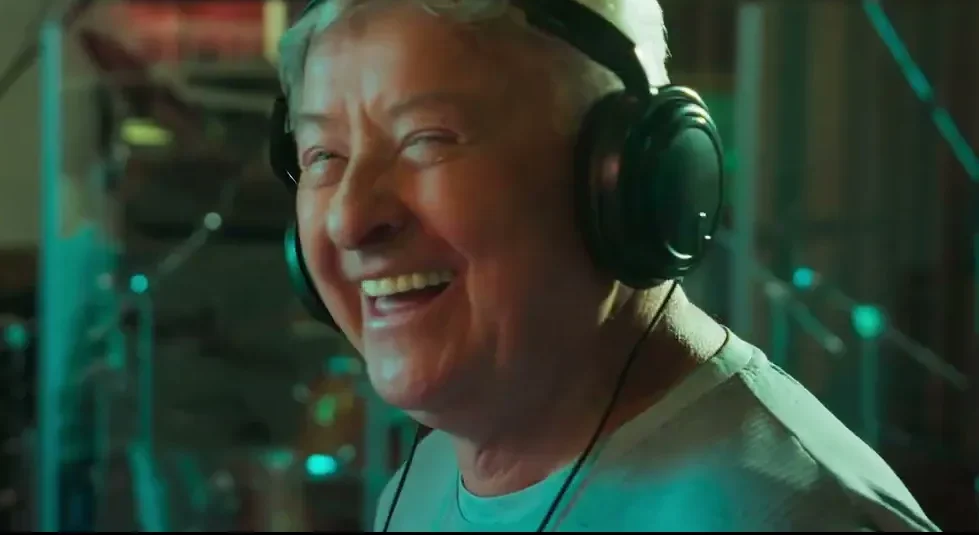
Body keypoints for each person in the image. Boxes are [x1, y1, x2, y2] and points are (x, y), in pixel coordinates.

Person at [273, 0, 940, 531]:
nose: (349, 219)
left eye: (426, 139)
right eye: (323, 156)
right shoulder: (420, 484)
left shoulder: (778, 512)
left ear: (627, 179)